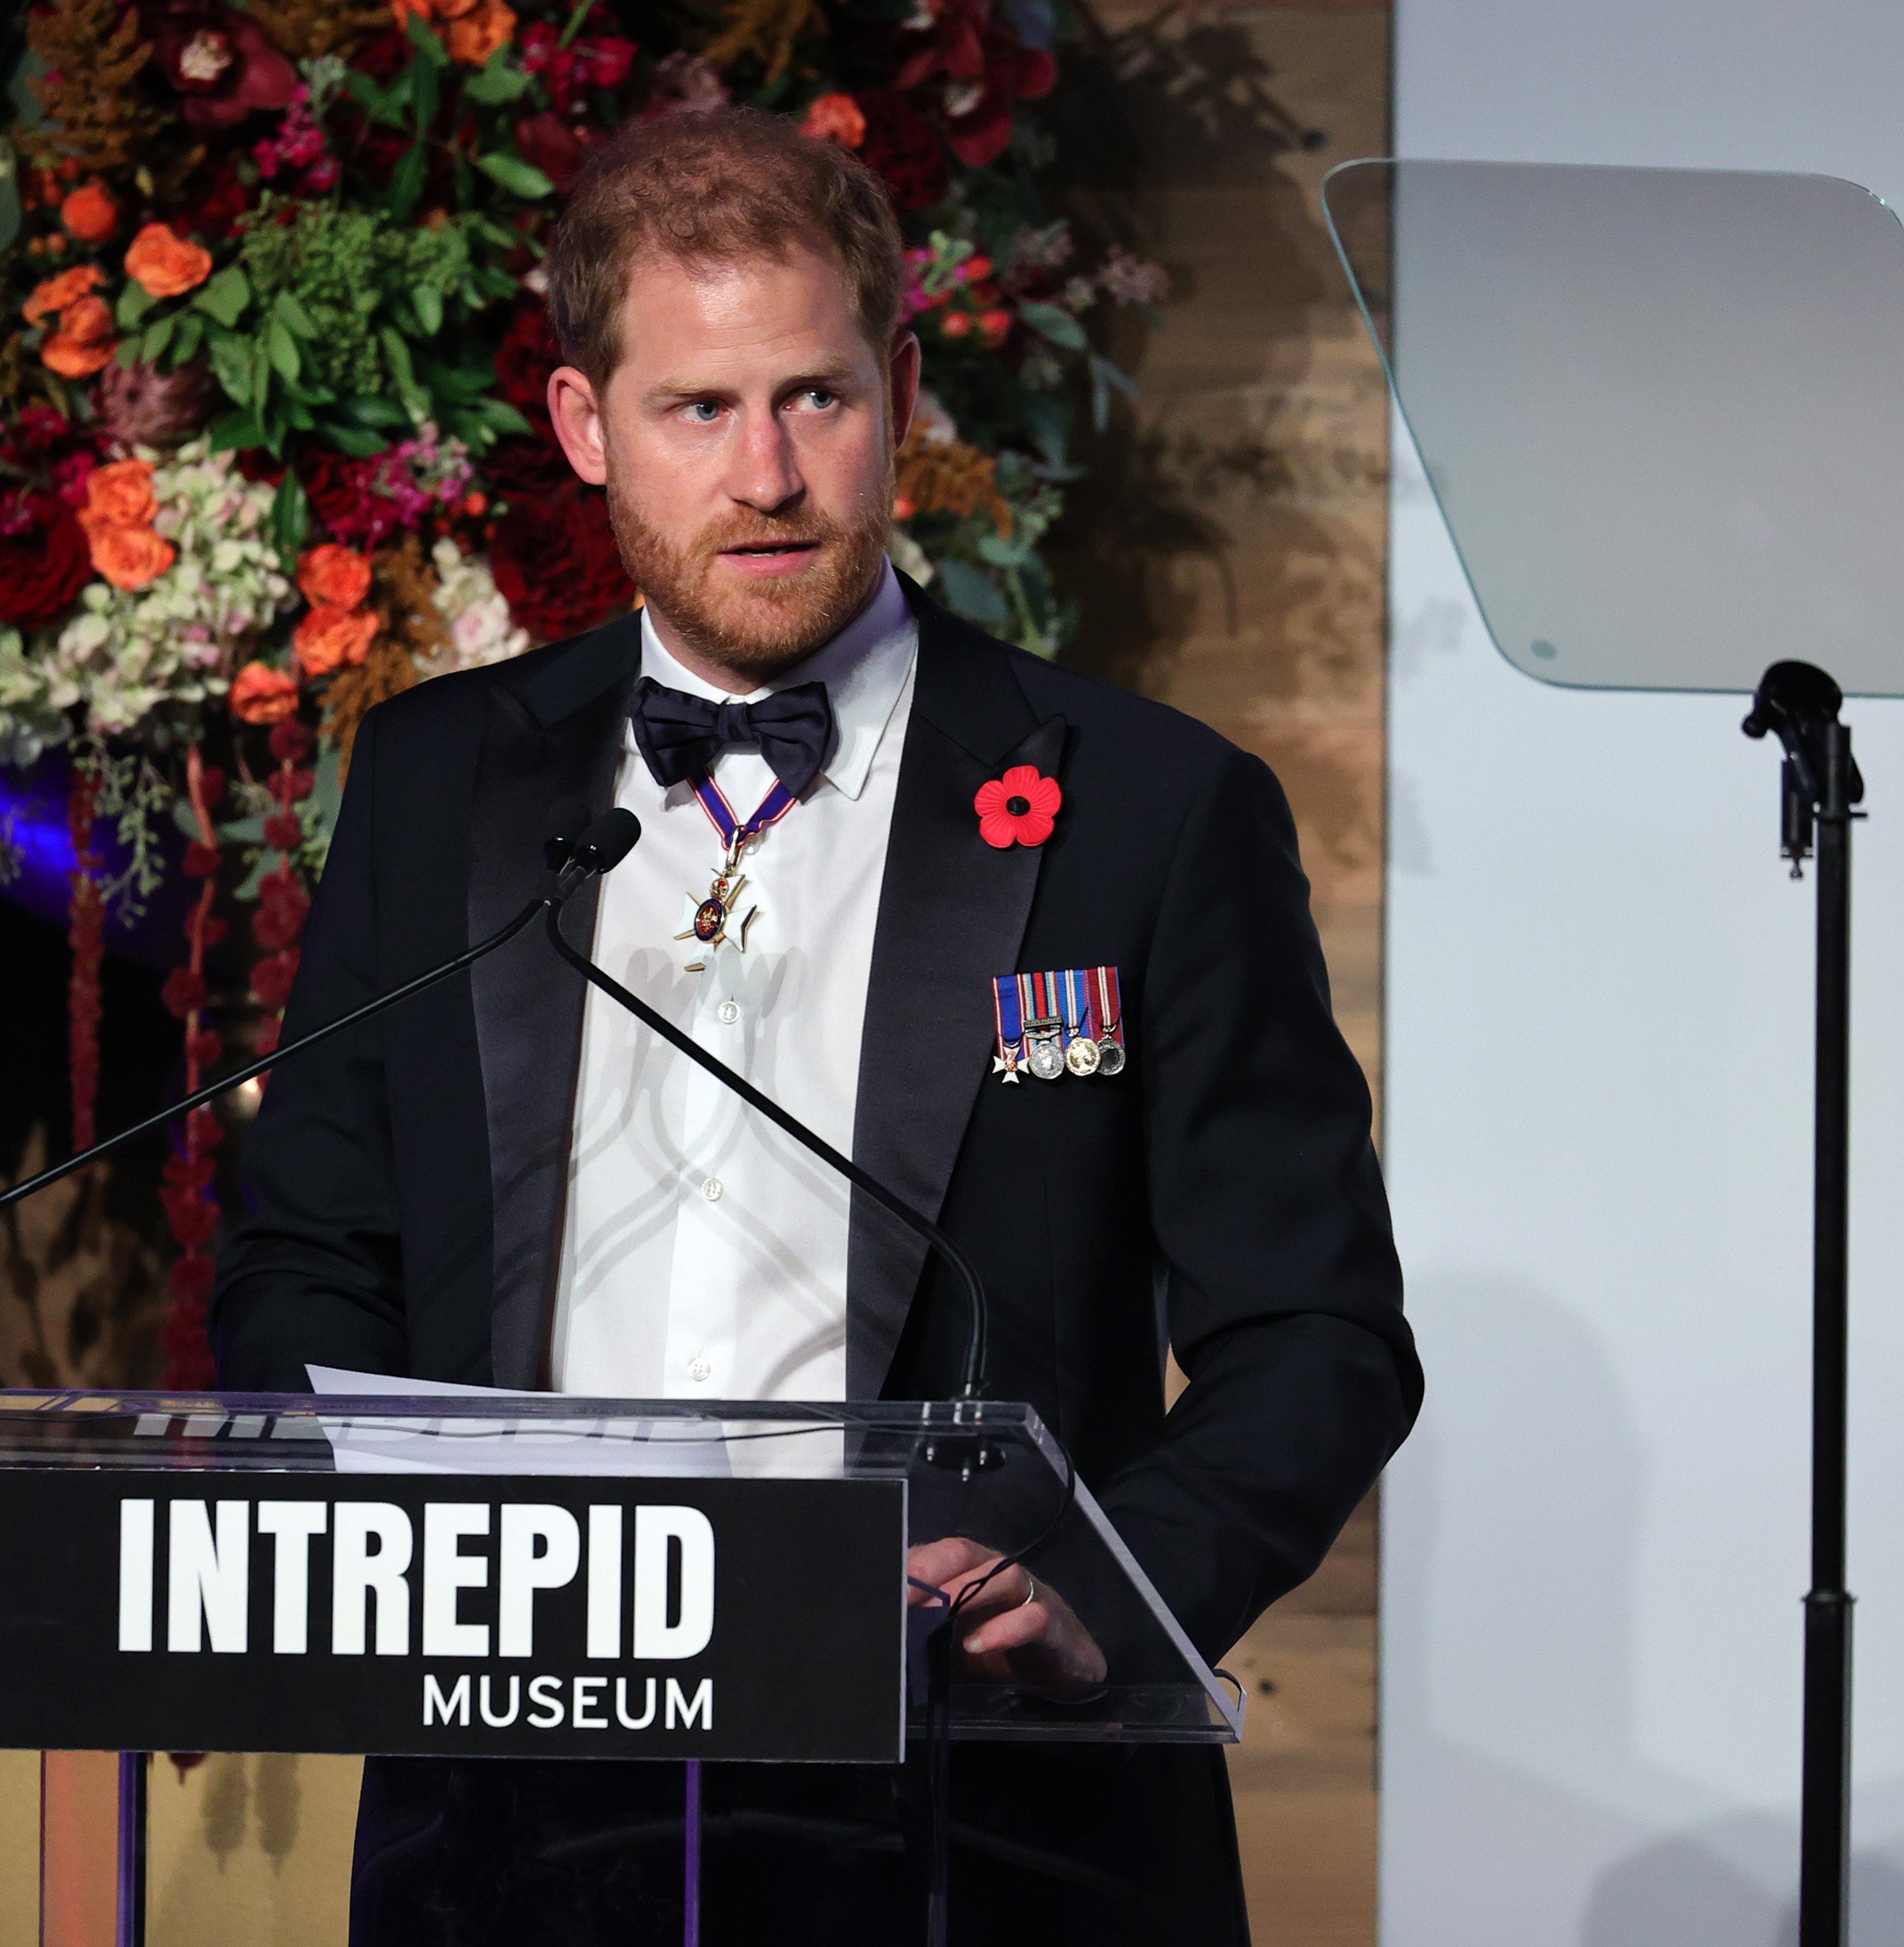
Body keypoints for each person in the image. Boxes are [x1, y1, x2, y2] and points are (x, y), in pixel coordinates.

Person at [215, 106, 1419, 1945]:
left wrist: (1106, 1578)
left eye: (816, 399)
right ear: (579, 423)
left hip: (989, 1808)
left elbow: (1317, 1329)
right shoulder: (440, 777)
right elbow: (310, 1249)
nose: (767, 473)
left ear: (903, 391)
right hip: (515, 1804)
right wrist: (406, 1550)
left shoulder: (1154, 810)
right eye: (698, 409)